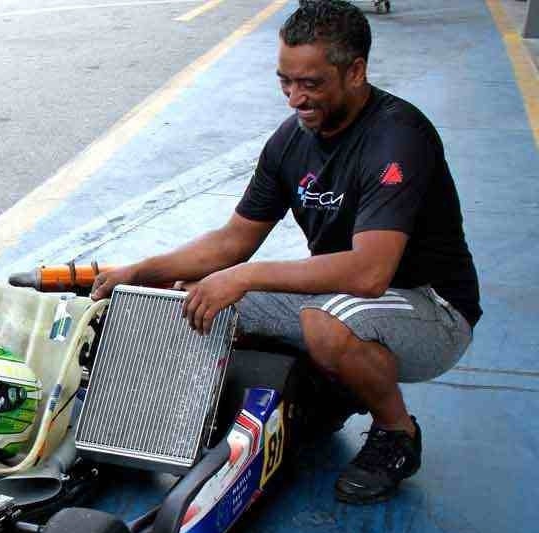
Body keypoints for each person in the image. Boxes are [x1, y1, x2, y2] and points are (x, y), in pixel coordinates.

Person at [91, 0, 480, 504]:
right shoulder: (290, 140)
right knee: (196, 297)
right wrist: (141, 270)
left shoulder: (398, 138)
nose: (296, 99)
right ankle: (312, 391)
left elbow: (369, 273)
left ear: (356, 71)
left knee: (325, 322)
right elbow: (233, 241)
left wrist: (248, 276)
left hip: (432, 308)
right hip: (344, 297)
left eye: (312, 84)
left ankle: (397, 434)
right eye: (286, 82)